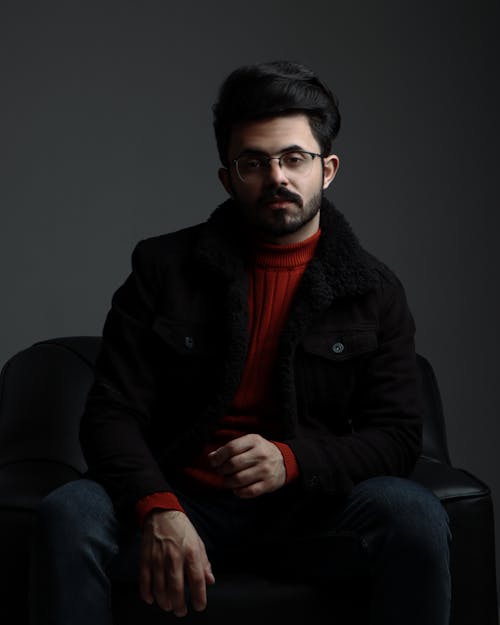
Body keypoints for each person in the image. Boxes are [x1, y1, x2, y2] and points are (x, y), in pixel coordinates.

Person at [30, 60, 451, 625]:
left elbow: (398, 437)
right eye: (254, 162)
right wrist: (160, 510)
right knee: (69, 511)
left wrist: (292, 459)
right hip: (181, 500)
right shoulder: (163, 268)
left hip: (308, 514)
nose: (277, 177)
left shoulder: (374, 290)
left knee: (414, 514)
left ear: (327, 169)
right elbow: (110, 413)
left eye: (294, 159)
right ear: (229, 178)